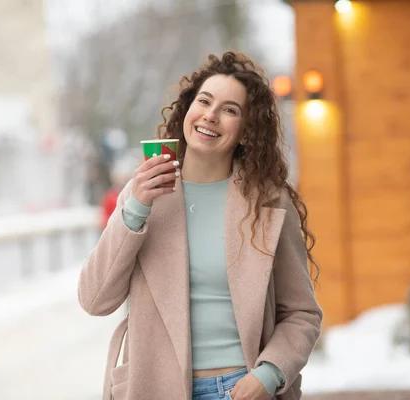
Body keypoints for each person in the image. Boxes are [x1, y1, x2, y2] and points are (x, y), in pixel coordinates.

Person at [78, 52, 322, 400]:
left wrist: (268, 375)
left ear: (245, 130)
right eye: (204, 101)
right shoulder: (144, 194)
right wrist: (135, 209)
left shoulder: (267, 203)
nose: (211, 115)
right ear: (188, 109)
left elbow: (302, 313)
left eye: (230, 109)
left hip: (244, 388)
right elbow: (94, 299)